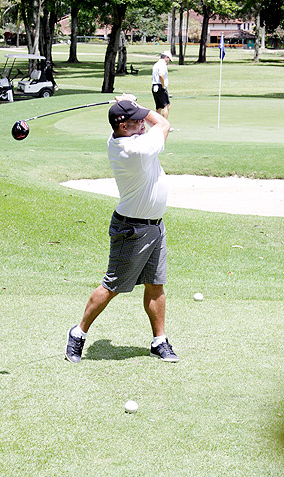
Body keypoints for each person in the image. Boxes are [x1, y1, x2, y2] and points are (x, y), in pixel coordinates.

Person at [65, 95, 179, 364]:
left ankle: (159, 341)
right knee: (112, 286)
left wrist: (129, 106)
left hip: (154, 226)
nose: (143, 123)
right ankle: (78, 333)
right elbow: (163, 123)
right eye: (137, 121)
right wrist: (142, 108)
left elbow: (141, 125)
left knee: (155, 284)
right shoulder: (135, 150)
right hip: (132, 230)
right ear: (124, 127)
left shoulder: (119, 137)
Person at [152, 51, 173, 120]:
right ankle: (164, 125)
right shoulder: (162, 64)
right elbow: (161, 75)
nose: (169, 61)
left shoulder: (156, 64)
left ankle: (157, 125)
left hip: (154, 86)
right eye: (169, 59)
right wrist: (163, 86)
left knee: (159, 107)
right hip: (160, 87)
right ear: (166, 57)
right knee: (166, 106)